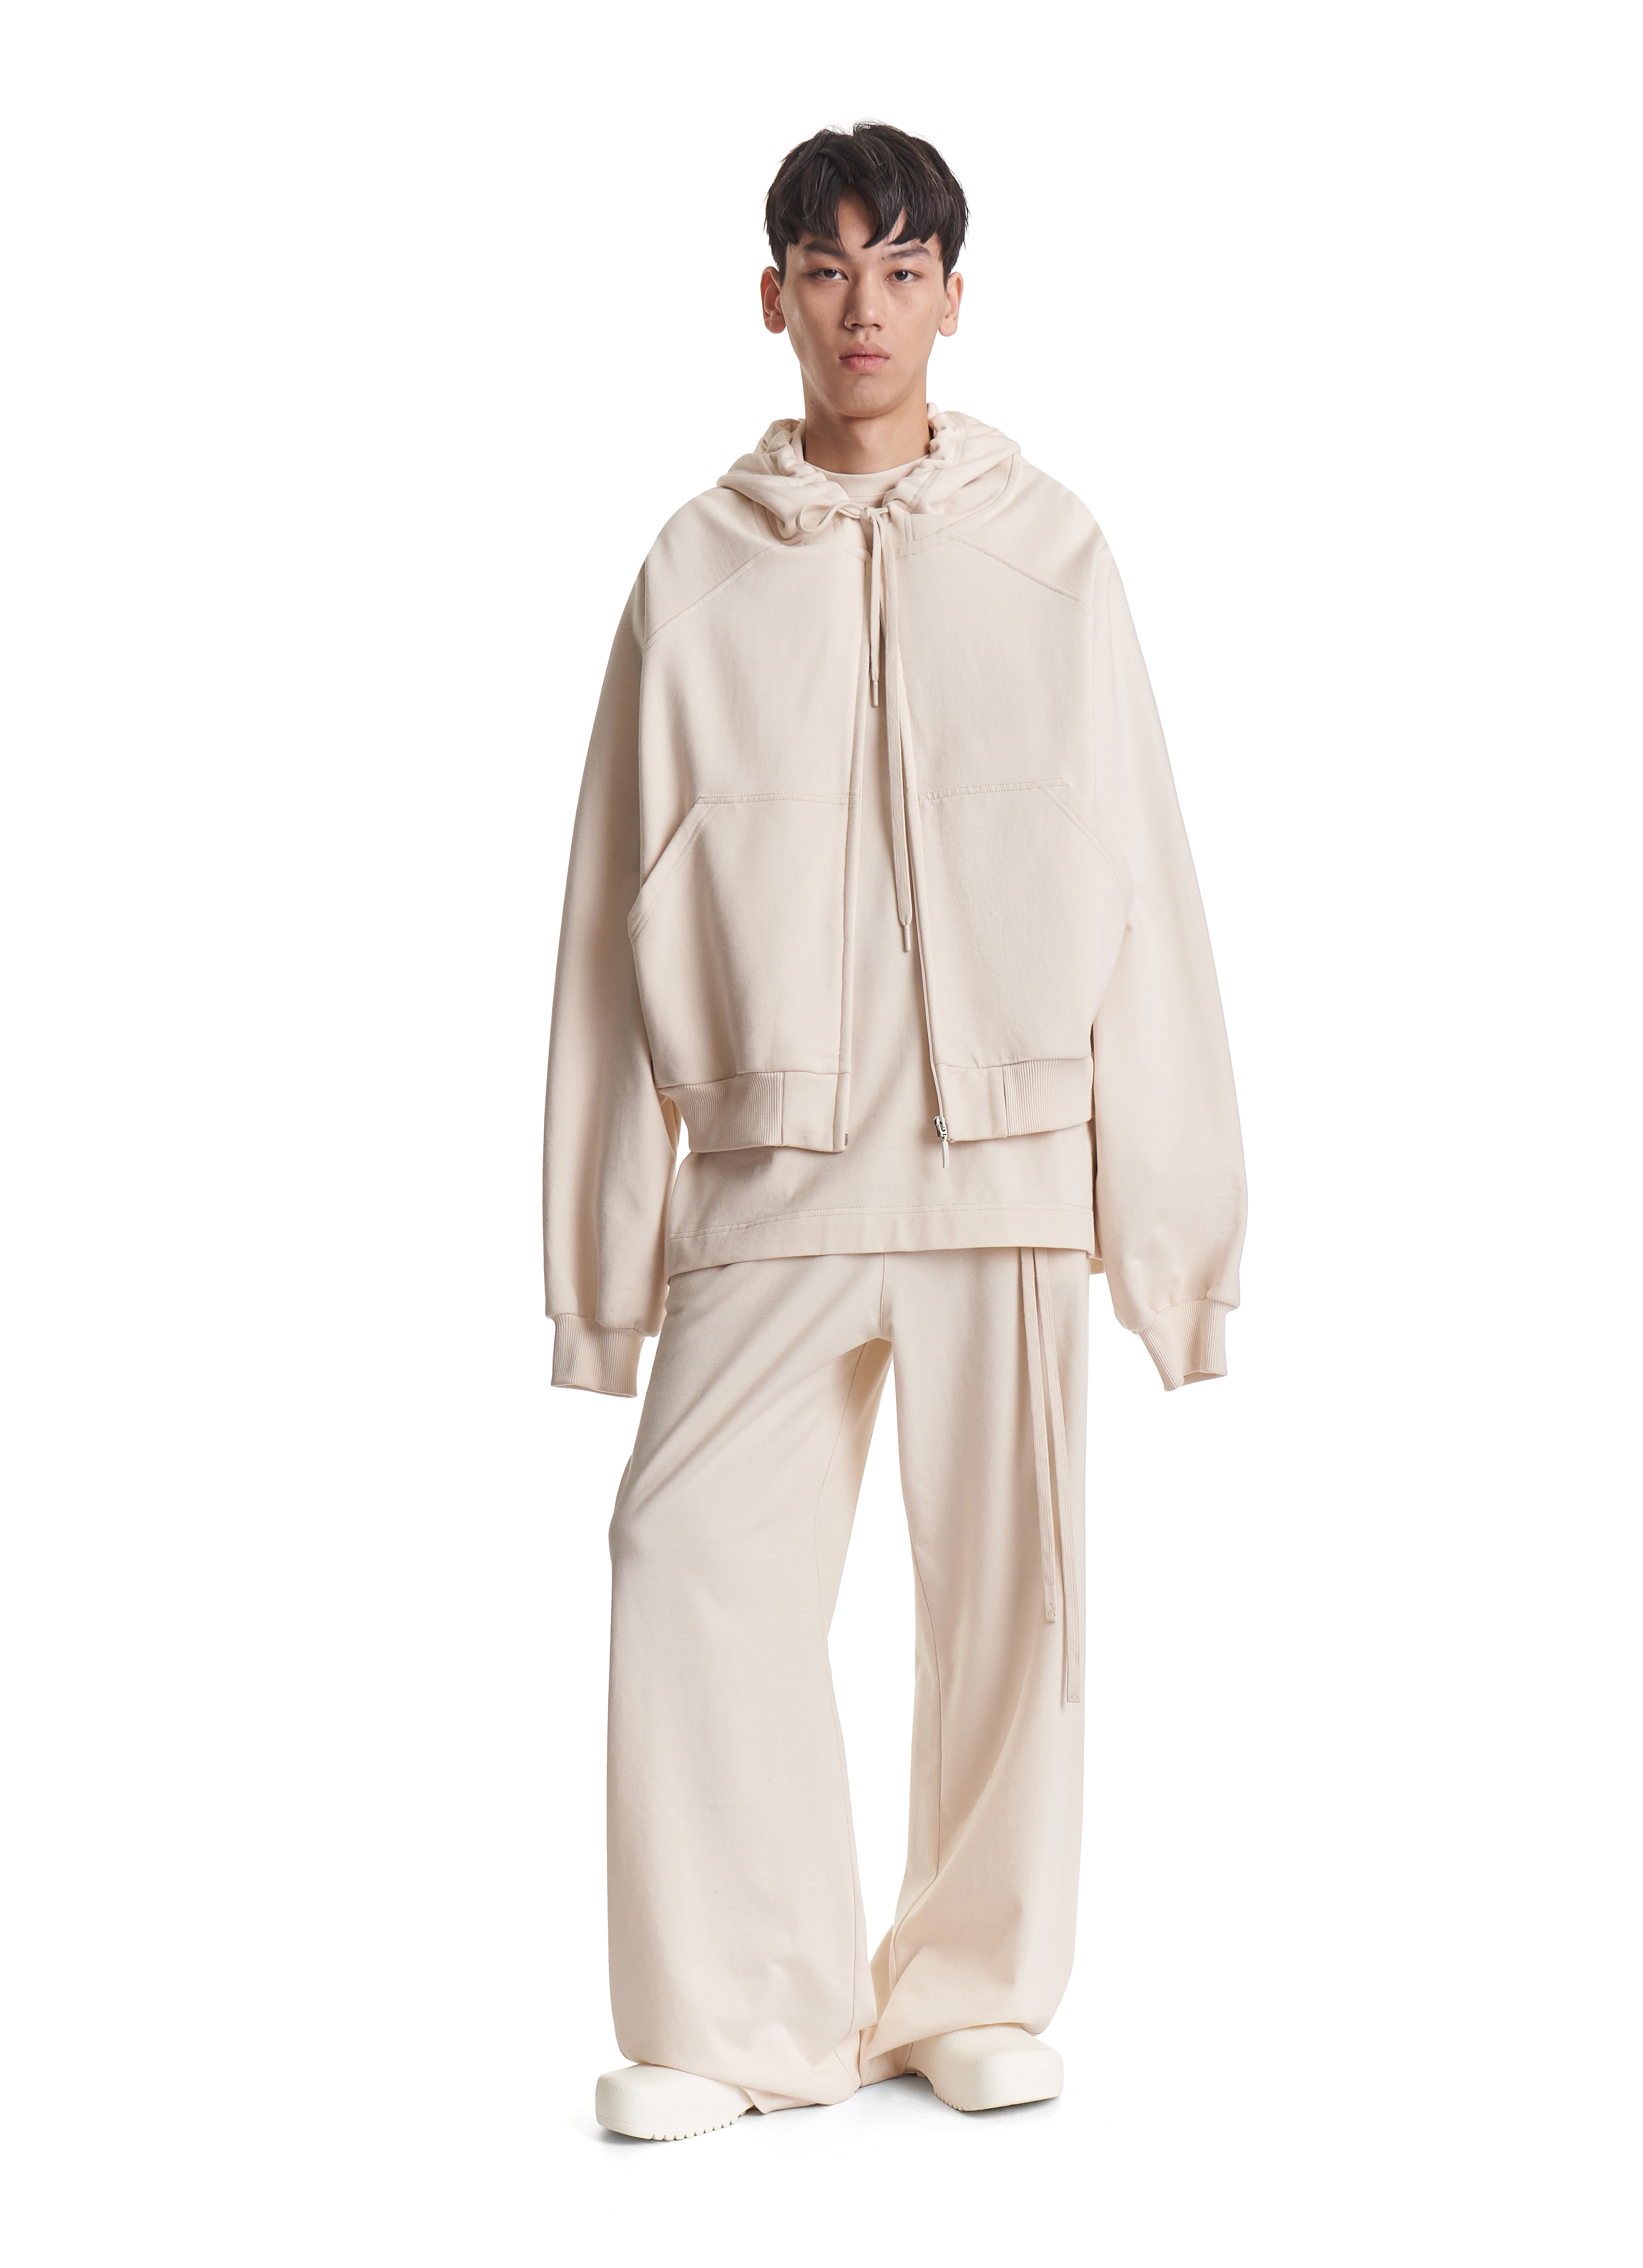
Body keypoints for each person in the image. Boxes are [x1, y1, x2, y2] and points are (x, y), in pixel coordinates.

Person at [544, 121, 1247, 2141]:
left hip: (1003, 1164)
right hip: (766, 1175)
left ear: (952, 297)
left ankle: (967, 1990)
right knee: (683, 1558)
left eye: (901, 267)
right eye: (826, 268)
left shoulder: (1053, 555)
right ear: (770, 298)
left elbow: (1142, 884)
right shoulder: (692, 570)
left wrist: (1174, 1235)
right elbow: (605, 927)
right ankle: (735, 2017)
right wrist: (600, 1276)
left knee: (1011, 1607)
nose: (863, 306)